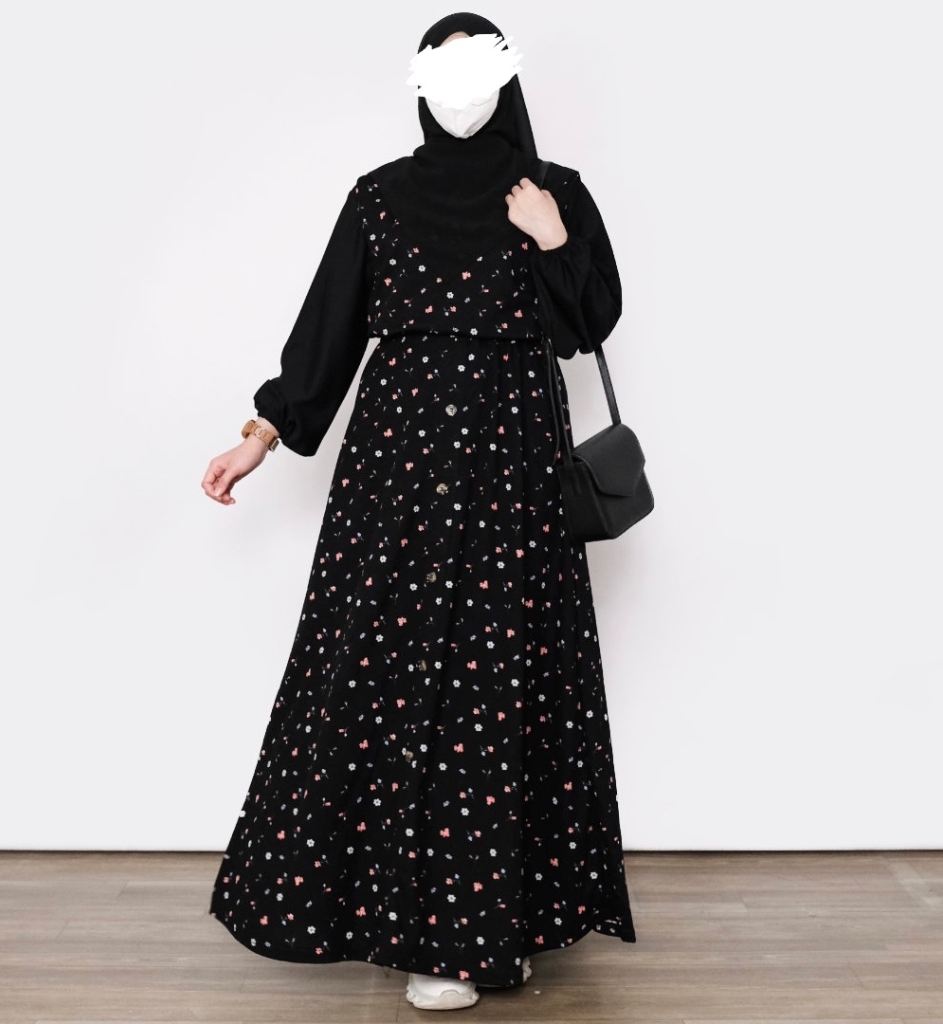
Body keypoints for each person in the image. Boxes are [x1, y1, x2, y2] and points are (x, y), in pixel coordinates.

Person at [203, 12, 636, 1012]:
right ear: (417, 83)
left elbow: (589, 324)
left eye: (478, 67)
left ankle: (491, 929)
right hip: (396, 475)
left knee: (500, 681)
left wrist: (553, 237)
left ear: (508, 79)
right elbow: (327, 332)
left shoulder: (553, 191)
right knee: (391, 680)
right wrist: (261, 435)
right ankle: (416, 927)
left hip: (513, 474)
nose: (460, 87)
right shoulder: (380, 197)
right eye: (442, 68)